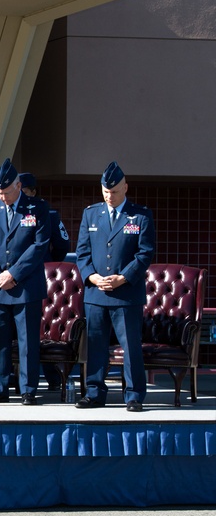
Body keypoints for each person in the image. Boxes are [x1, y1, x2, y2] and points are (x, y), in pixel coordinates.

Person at [75, 161, 155, 412]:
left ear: (126, 188)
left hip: (126, 294)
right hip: (96, 293)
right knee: (96, 345)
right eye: (106, 191)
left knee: (130, 346)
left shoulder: (140, 215)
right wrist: (92, 277)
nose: (110, 196)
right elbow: (82, 253)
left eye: (116, 191)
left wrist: (123, 277)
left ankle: (133, 395)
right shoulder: (91, 213)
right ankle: (94, 392)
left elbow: (145, 254)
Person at [0, 159, 50, 405]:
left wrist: (13, 274)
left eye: (7, 192)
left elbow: (39, 246)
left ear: (18, 185)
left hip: (25, 286)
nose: (3, 197)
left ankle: (28, 389)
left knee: (27, 340)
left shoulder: (37, 208)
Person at [18, 171, 71, 390]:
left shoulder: (48, 214)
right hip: (13, 279)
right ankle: (15, 379)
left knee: (42, 328)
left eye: (24, 191)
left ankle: (53, 378)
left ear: (32, 191)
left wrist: (50, 264)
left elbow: (62, 244)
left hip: (42, 276)